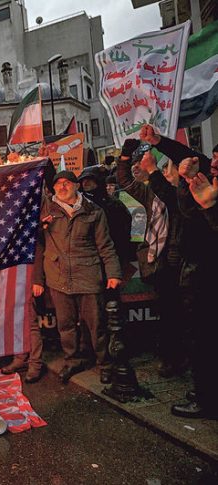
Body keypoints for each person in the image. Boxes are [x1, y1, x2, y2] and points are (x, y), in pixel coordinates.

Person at [141, 127, 218, 419]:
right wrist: (158, 142)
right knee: (199, 339)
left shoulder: (208, 193)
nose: (212, 165)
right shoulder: (204, 181)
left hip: (206, 277)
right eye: (213, 159)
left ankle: (207, 400)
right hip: (195, 274)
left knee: (204, 341)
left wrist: (209, 206)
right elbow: (189, 156)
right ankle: (206, 390)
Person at [33, 170, 122, 384]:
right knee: (66, 326)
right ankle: (72, 361)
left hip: (88, 275)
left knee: (96, 325)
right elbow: (34, 240)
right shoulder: (46, 208)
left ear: (76, 186)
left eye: (67, 183)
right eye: (58, 184)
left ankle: (105, 364)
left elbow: (105, 245)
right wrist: (40, 227)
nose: (62, 187)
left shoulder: (93, 211)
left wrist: (113, 273)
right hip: (58, 277)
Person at [117, 133, 186, 377]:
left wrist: (154, 170)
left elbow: (170, 198)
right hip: (160, 263)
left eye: (169, 169)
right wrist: (125, 157)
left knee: (183, 315)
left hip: (183, 264)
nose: (166, 173)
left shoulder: (187, 194)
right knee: (167, 313)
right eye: (164, 170)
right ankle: (170, 358)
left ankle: (184, 357)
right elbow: (125, 182)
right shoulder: (150, 194)